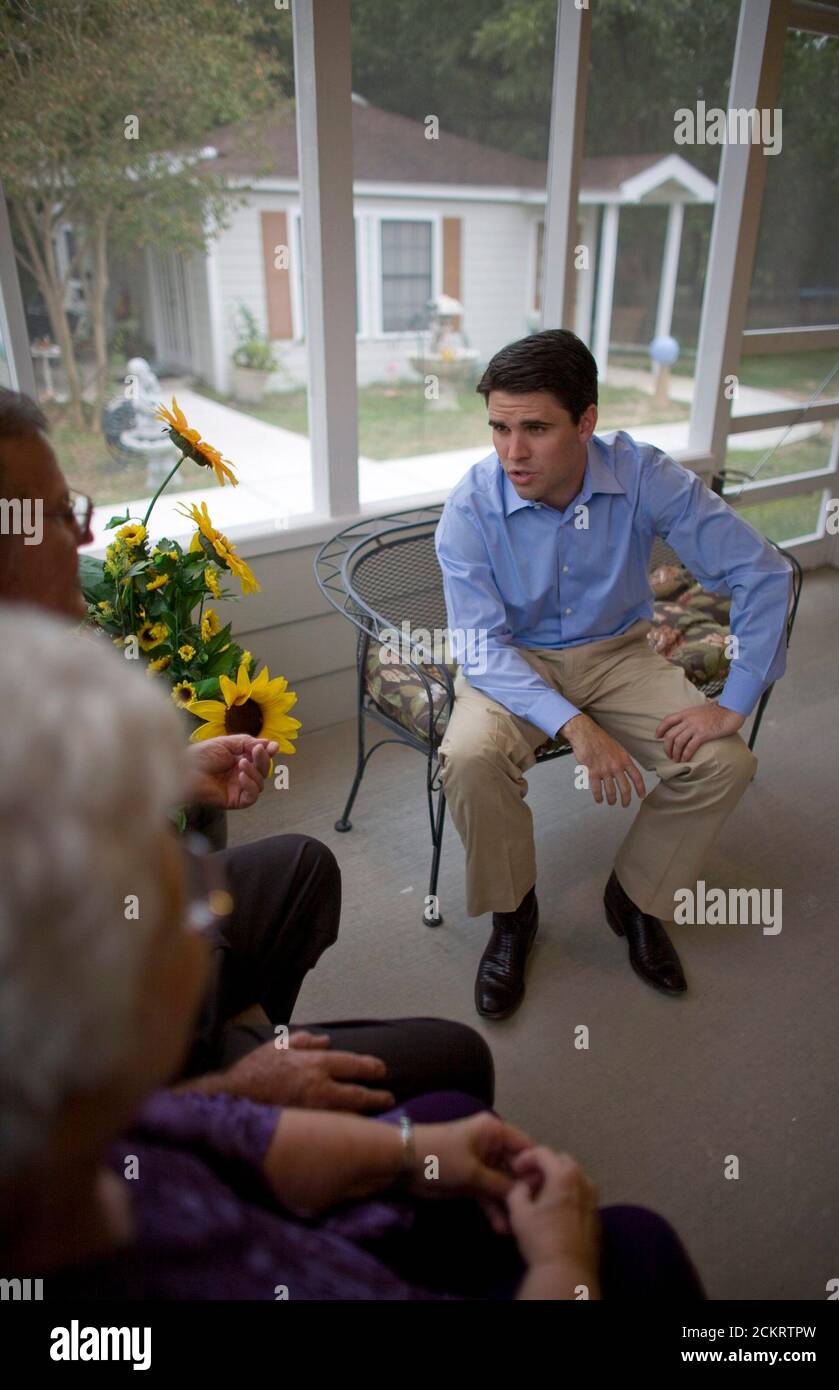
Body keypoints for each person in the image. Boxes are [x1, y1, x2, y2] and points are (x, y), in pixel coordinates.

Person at [0, 605, 705, 1301]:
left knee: (454, 1088)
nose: (206, 885)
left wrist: (405, 1153)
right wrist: (562, 1265)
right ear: (127, 1013)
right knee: (642, 1248)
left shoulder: (83, 1150)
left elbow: (156, 1136)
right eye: (176, 881)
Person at [0, 386, 493, 1107]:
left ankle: (252, 1037)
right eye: (59, 513)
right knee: (458, 1068)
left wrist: (171, 778)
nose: (84, 536)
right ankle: (246, 1078)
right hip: (116, 1071)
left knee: (303, 865)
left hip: (139, 958)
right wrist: (230, 1099)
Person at [435, 330, 792, 1019]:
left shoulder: (643, 475)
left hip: (618, 652)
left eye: (535, 428)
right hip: (512, 659)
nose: (512, 451)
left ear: (587, 421)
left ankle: (635, 898)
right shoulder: (471, 505)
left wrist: (736, 702)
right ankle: (513, 915)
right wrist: (576, 727)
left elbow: (762, 571)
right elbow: (479, 648)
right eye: (500, 428)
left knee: (725, 763)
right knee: (469, 756)